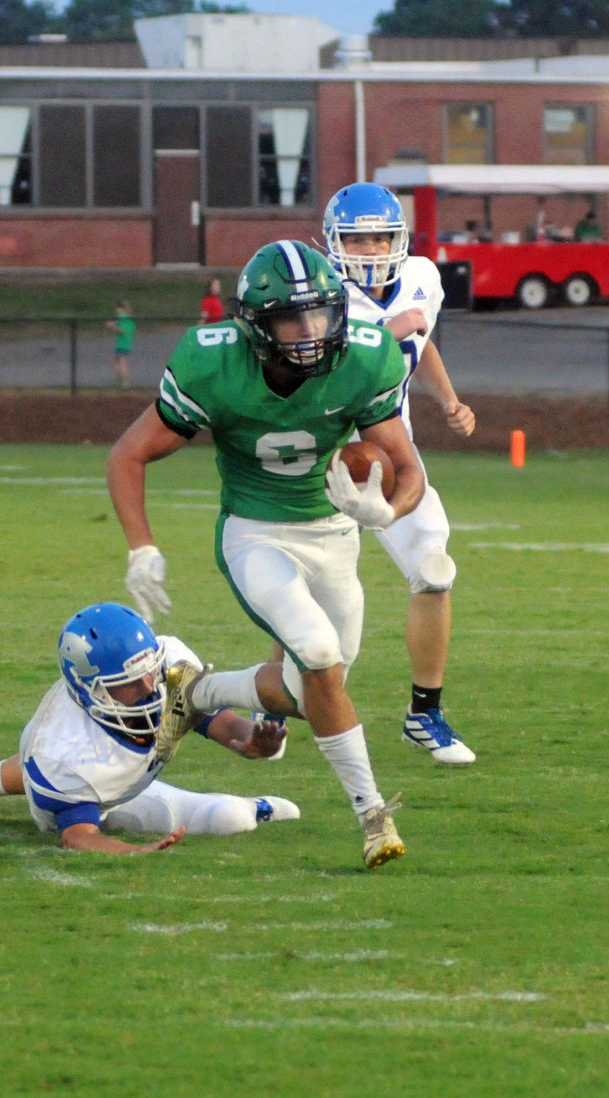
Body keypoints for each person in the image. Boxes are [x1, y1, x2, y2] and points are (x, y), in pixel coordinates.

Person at [107, 239, 425, 870]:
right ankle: (371, 815)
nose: (310, 333)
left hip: (334, 536)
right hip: (256, 532)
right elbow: (128, 453)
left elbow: (409, 468)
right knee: (320, 655)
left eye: (320, 315)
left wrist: (384, 512)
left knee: (307, 693)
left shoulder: (365, 355)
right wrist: (141, 546)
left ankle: (193, 693)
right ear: (254, 326)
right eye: (290, 319)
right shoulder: (212, 363)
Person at [0, 602, 297, 853]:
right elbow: (80, 834)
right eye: (129, 683)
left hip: (119, 774)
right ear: (89, 688)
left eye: (149, 673)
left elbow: (224, 725)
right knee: (230, 818)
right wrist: (135, 851)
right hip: (93, 795)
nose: (150, 688)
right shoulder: (59, 750)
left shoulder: (168, 668)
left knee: (233, 818)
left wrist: (254, 742)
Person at [323, 182, 477, 766]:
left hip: (393, 455)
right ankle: (278, 700)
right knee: (316, 594)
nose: (369, 249)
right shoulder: (319, 290)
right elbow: (325, 368)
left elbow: (422, 339)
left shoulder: (421, 279)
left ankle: (424, 712)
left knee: (435, 569)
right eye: (357, 238)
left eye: (380, 236)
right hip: (322, 456)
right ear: (336, 243)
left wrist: (447, 399)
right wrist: (389, 329)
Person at [107, 300, 136, 389]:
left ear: (121, 309)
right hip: (124, 343)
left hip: (122, 344)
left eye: (117, 309)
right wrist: (113, 325)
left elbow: (122, 330)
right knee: (115, 362)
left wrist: (112, 326)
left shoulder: (123, 317)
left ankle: (125, 382)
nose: (116, 312)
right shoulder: (129, 319)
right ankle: (122, 380)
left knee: (121, 363)